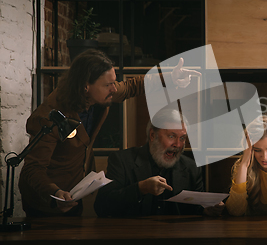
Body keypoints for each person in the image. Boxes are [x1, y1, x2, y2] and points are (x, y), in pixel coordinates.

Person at [19, 49, 200, 216]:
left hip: (75, 193)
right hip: (47, 201)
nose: (114, 89)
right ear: (85, 86)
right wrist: (55, 193)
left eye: (114, 82)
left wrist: (170, 78)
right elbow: (33, 169)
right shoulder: (49, 117)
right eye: (108, 85)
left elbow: (131, 87)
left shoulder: (101, 92)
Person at [94, 108, 224, 217]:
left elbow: (196, 210)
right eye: (171, 136)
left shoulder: (190, 167)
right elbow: (102, 207)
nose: (177, 145)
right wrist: (140, 188)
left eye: (182, 138)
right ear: (152, 135)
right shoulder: (122, 161)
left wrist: (207, 210)